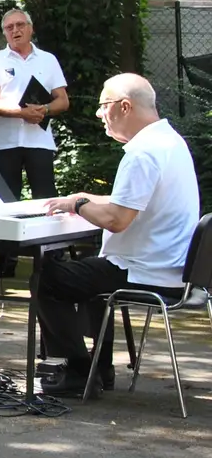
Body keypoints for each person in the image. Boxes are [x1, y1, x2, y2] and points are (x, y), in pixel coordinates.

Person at [36, 74, 199, 397]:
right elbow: (133, 202)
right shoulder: (169, 141)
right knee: (88, 267)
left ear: (125, 107)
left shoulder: (142, 153)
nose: (99, 114)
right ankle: (101, 368)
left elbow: (117, 219)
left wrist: (79, 204)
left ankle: (79, 372)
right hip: (172, 268)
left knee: (46, 278)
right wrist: (85, 198)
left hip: (145, 271)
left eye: (103, 105)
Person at [0, 9, 69, 277]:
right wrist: (22, 112)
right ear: (4, 32)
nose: (15, 30)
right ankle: (5, 262)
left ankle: (52, 261)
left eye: (20, 25)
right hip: (5, 142)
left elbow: (63, 100)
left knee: (46, 200)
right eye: (9, 27)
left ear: (31, 28)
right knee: (7, 204)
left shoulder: (48, 60)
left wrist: (42, 110)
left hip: (40, 141)